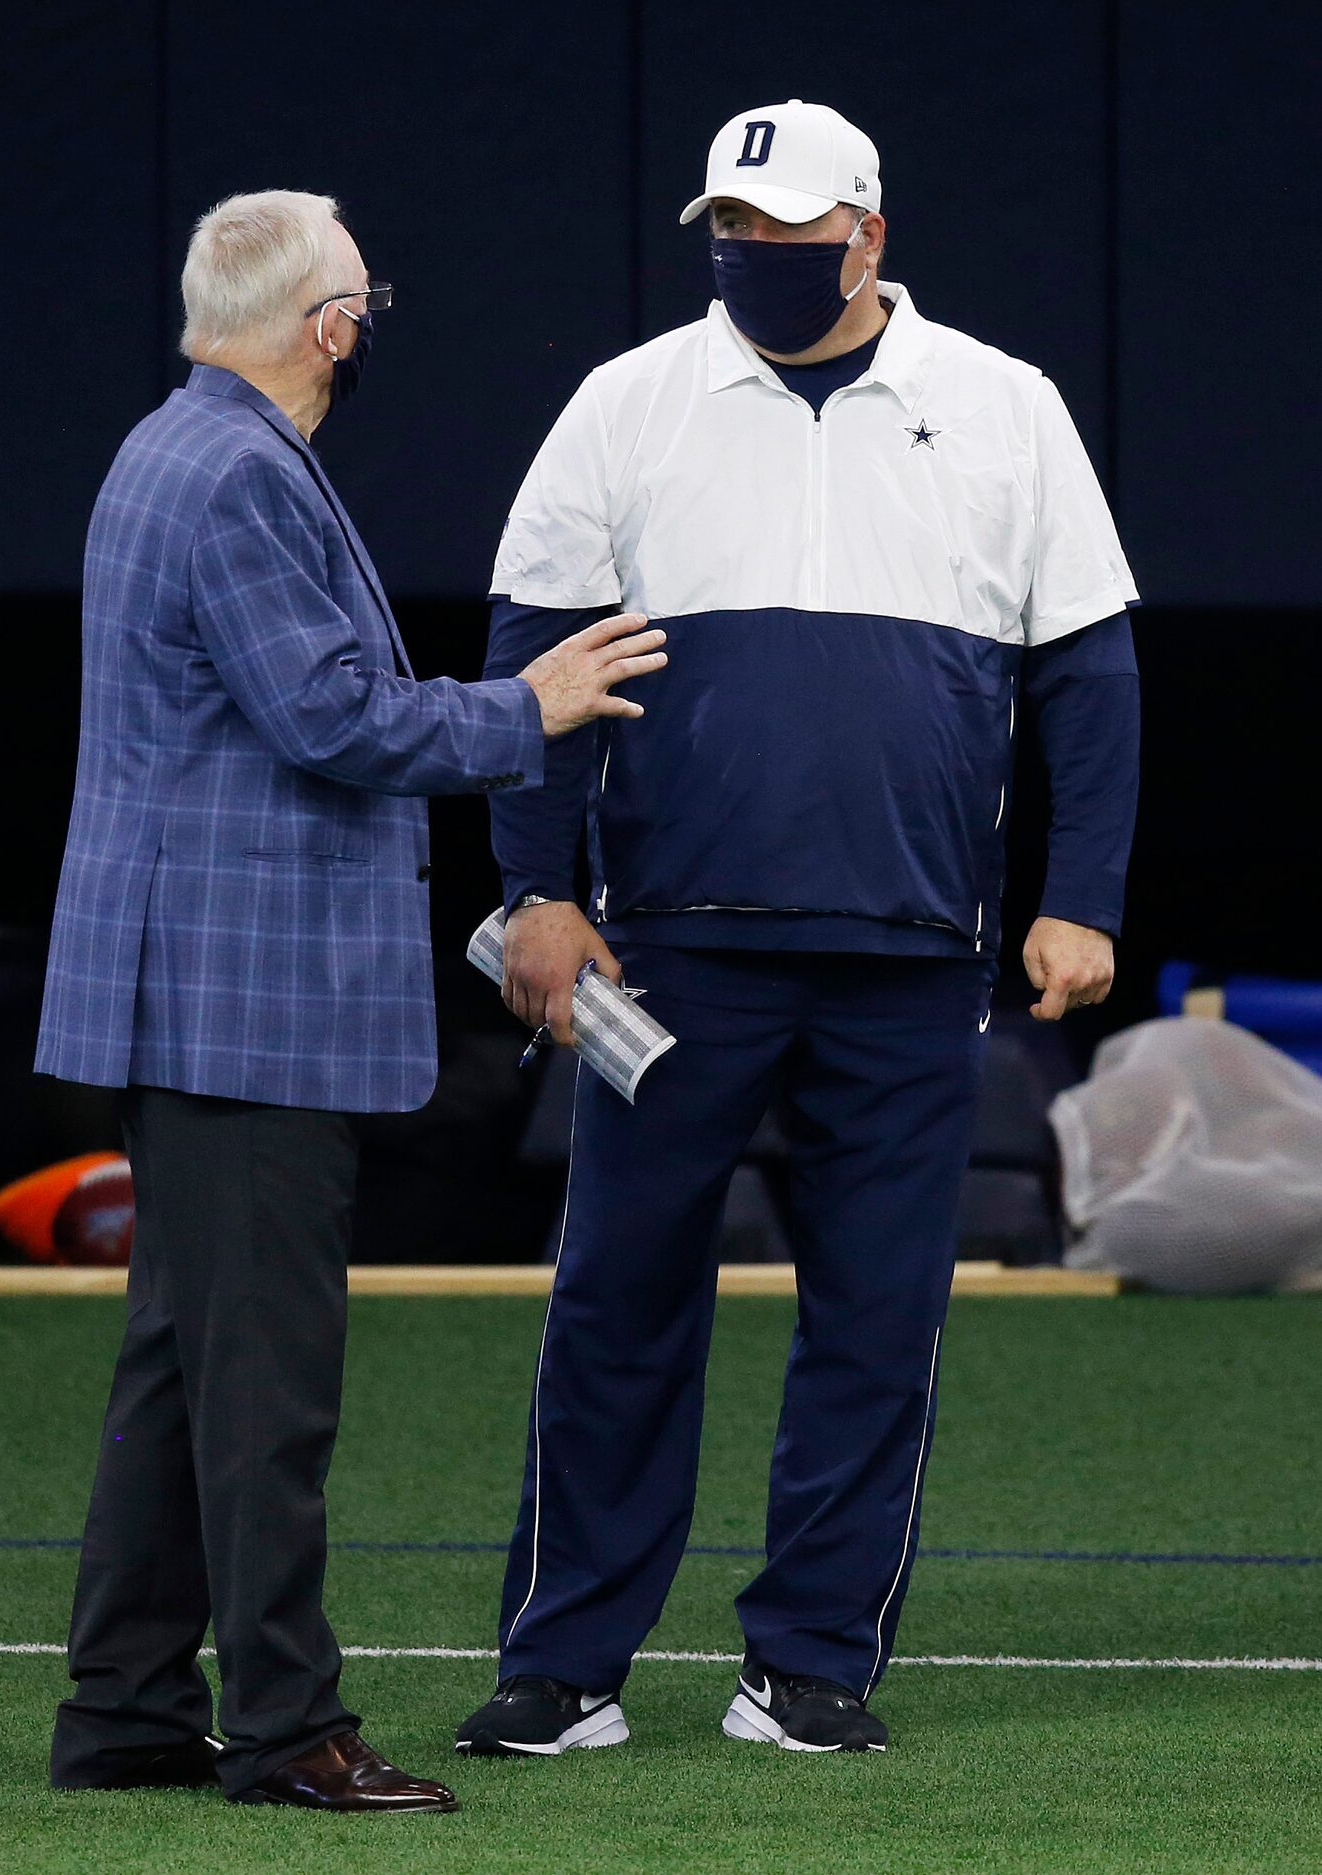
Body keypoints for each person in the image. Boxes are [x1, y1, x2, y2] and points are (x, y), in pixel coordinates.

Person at [457, 101, 1139, 1759]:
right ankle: (566, 1665)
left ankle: (813, 1659)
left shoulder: (1008, 406)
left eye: (785, 230)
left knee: (879, 1314)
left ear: (869, 234)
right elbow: (533, 662)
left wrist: (1083, 896)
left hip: (914, 952)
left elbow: (1092, 671)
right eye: (732, 231)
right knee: (618, 1298)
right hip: (667, 953)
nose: (753, 257)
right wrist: (536, 890)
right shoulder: (628, 402)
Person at [35, 189, 666, 1811]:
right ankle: (287, 1727)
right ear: (330, 326)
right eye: (360, 297)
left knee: (187, 1361)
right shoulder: (241, 469)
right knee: (262, 1387)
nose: (368, 320)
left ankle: (123, 1705)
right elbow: (332, 718)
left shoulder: (171, 449)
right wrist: (527, 706)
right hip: (239, 1002)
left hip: (190, 990)